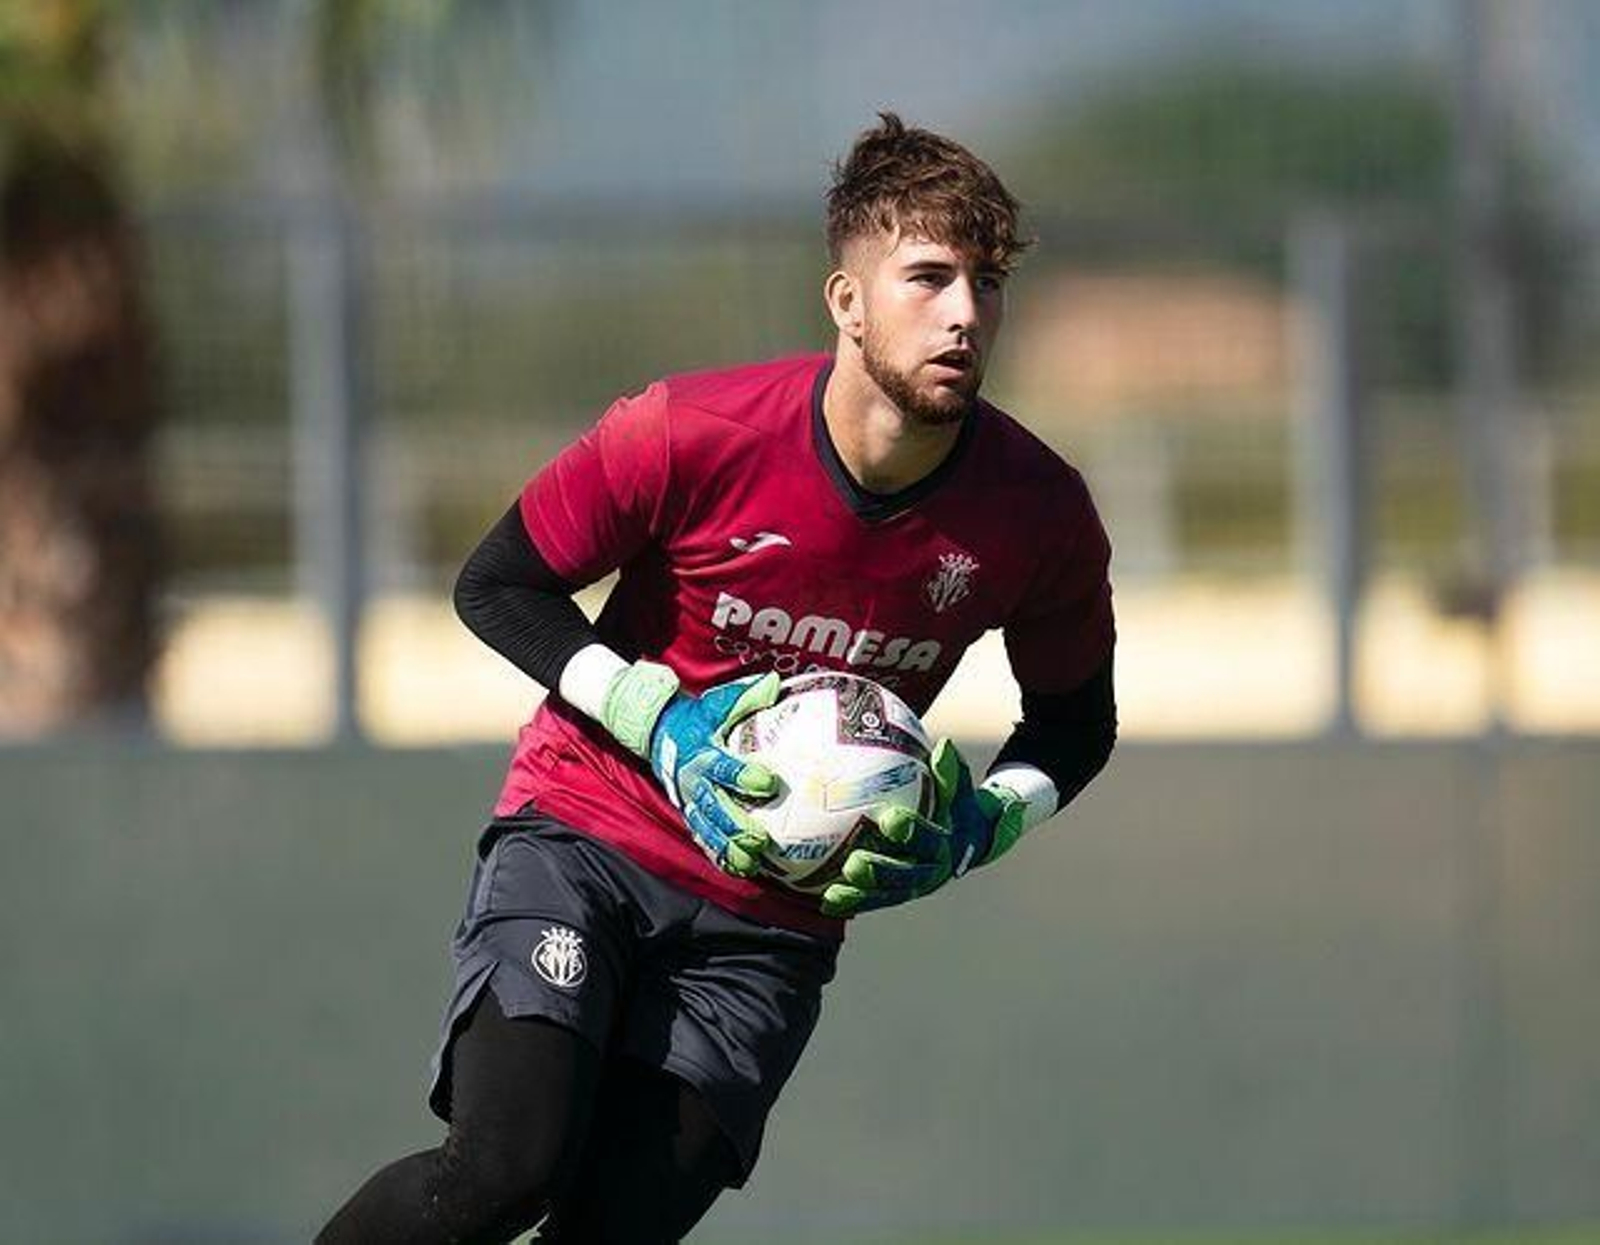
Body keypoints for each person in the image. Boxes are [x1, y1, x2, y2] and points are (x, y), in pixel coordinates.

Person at [317, 111, 1117, 1244]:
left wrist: (984, 822)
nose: (962, 314)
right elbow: (497, 586)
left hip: (770, 922)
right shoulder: (686, 432)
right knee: (504, 1171)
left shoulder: (1038, 514)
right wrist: (658, 717)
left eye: (986, 284)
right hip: (588, 835)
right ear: (844, 300)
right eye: (928, 276)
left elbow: (1075, 726)